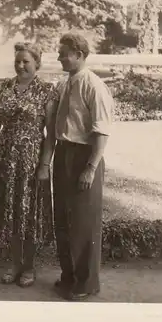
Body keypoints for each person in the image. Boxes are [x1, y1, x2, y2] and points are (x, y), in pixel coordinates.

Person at [0, 42, 56, 288]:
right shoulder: (4, 85)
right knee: (11, 211)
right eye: (18, 61)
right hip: (5, 158)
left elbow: (51, 133)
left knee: (29, 212)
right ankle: (14, 263)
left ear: (37, 63)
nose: (21, 65)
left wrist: (44, 164)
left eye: (26, 61)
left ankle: (29, 266)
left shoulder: (46, 90)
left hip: (31, 161)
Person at [51, 32, 114, 301]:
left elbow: (101, 132)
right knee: (63, 219)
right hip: (64, 153)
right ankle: (69, 275)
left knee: (83, 223)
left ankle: (86, 283)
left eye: (64, 53)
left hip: (84, 157)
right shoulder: (67, 83)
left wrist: (90, 168)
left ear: (79, 54)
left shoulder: (94, 86)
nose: (59, 57)